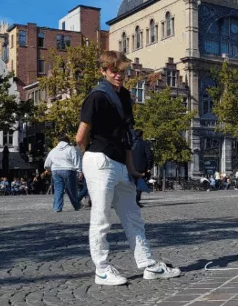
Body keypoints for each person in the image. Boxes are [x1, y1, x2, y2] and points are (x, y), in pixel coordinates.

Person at [76, 50, 180, 286]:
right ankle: (101, 269)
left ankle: (147, 264)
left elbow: (127, 135)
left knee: (133, 217)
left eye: (122, 71)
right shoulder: (96, 97)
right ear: (103, 71)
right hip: (100, 161)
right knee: (101, 218)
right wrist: (88, 161)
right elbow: (81, 136)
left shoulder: (125, 96)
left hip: (120, 164)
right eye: (114, 71)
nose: (119, 75)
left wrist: (131, 168)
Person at [44, 135, 82, 212]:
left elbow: (47, 164)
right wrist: (79, 170)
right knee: (72, 190)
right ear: (68, 141)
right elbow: (76, 160)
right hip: (68, 170)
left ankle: (57, 207)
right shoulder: (71, 149)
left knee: (58, 189)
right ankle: (77, 205)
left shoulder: (53, 150)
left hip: (56, 171)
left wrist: (49, 169)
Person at [131, 129, 153, 207]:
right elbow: (149, 156)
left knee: (131, 184)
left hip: (130, 167)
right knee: (140, 184)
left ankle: (131, 201)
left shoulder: (130, 144)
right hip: (141, 168)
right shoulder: (145, 144)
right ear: (141, 135)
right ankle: (136, 200)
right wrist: (149, 167)